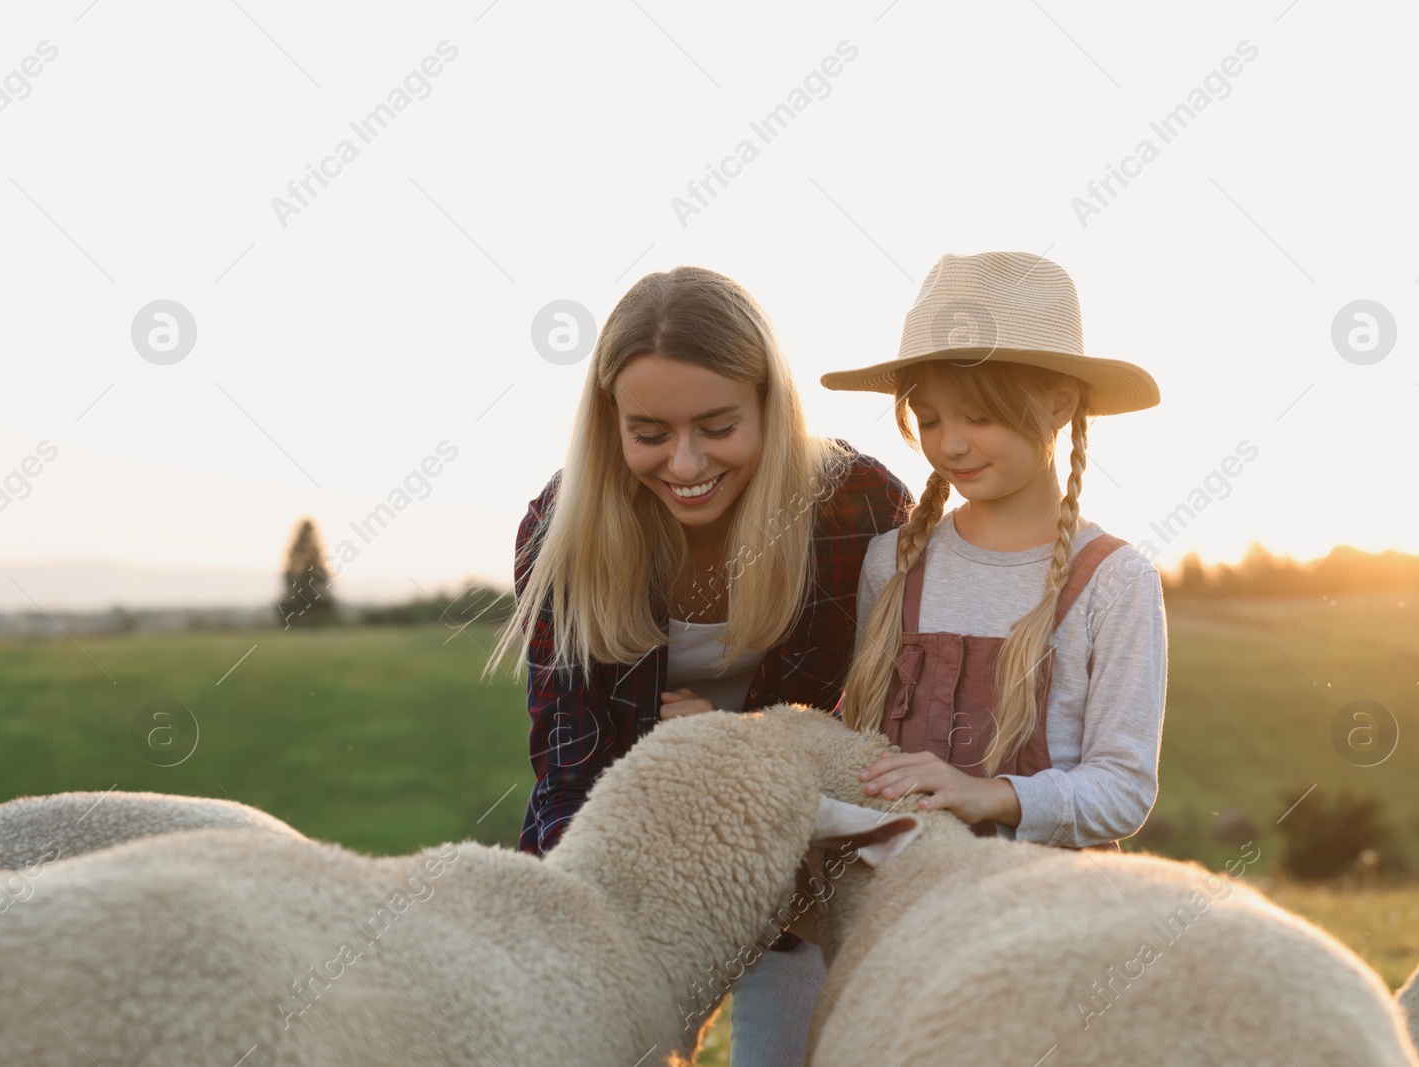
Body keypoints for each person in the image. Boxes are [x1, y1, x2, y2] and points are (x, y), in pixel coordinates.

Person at [487, 265, 913, 1066]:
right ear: (609, 422)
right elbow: (568, 755)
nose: (684, 463)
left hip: (806, 849)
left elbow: (889, 719)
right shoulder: (562, 527)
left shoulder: (859, 506)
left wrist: (727, 741)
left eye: (718, 427)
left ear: (768, 406)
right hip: (633, 843)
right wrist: (572, 922)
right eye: (649, 433)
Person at [823, 251, 1168, 850]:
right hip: (895, 897)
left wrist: (990, 794)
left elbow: (1124, 789)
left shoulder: (1116, 581)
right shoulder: (894, 562)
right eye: (928, 419)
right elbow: (857, 740)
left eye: (979, 416)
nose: (950, 445)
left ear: (1060, 404)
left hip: (1036, 914)